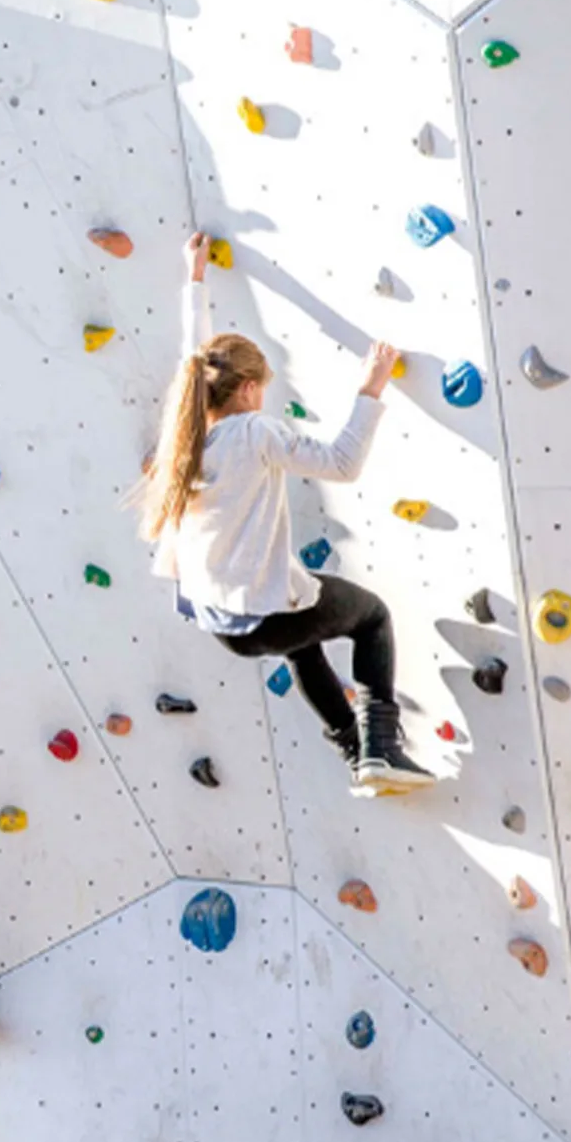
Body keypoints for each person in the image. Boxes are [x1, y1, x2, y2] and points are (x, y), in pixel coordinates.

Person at [138, 231, 434, 792]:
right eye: (263, 390)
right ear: (248, 389)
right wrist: (370, 388)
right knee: (372, 618)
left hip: (225, 624)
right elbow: (342, 464)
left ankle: (355, 752)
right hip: (262, 609)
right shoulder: (254, 431)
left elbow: (192, 359)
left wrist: (195, 281)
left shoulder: (187, 431)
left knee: (303, 644)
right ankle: (381, 748)